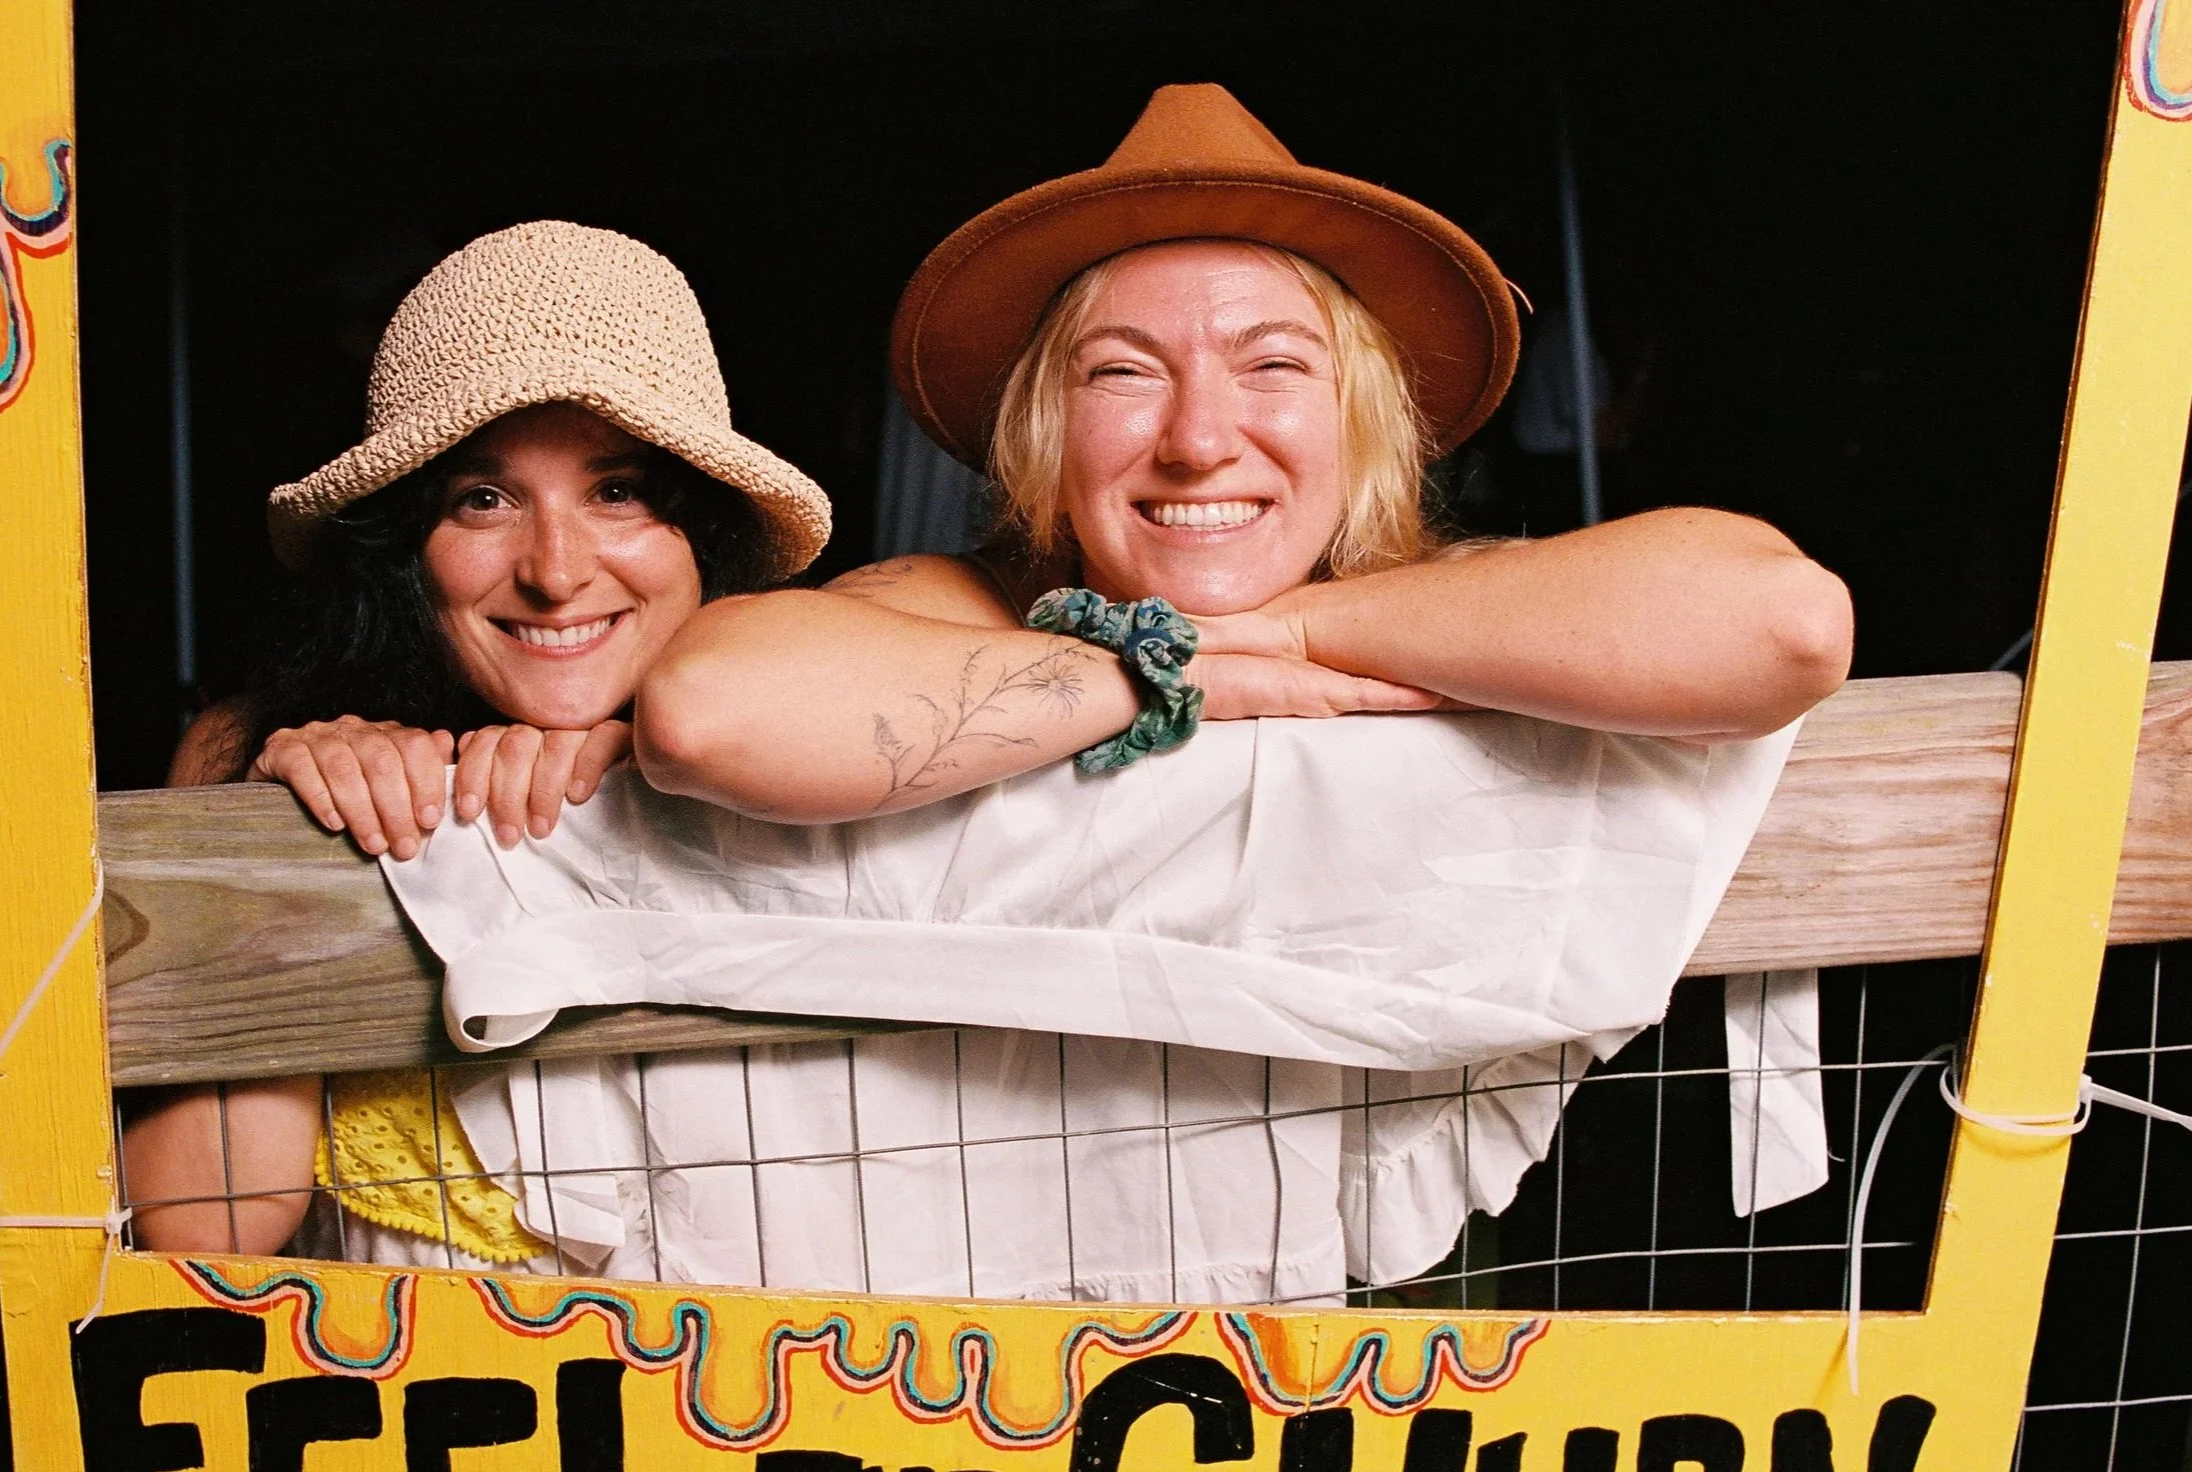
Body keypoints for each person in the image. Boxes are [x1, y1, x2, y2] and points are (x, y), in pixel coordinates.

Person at [633, 84, 1851, 820]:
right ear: (1041, 438)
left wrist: (1290, 636)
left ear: (1360, 423)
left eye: (1273, 365)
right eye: (1121, 372)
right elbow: (705, 710)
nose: (1200, 440)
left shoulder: (1437, 599)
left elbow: (1783, 624)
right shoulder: (965, 605)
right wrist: (1172, 676)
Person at [122, 220, 831, 1255]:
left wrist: (654, 759)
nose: (555, 568)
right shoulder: (250, 747)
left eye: (618, 491)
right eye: (484, 498)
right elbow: (201, 1232)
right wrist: (296, 850)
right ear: (408, 548)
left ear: (703, 533)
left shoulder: (825, 740)